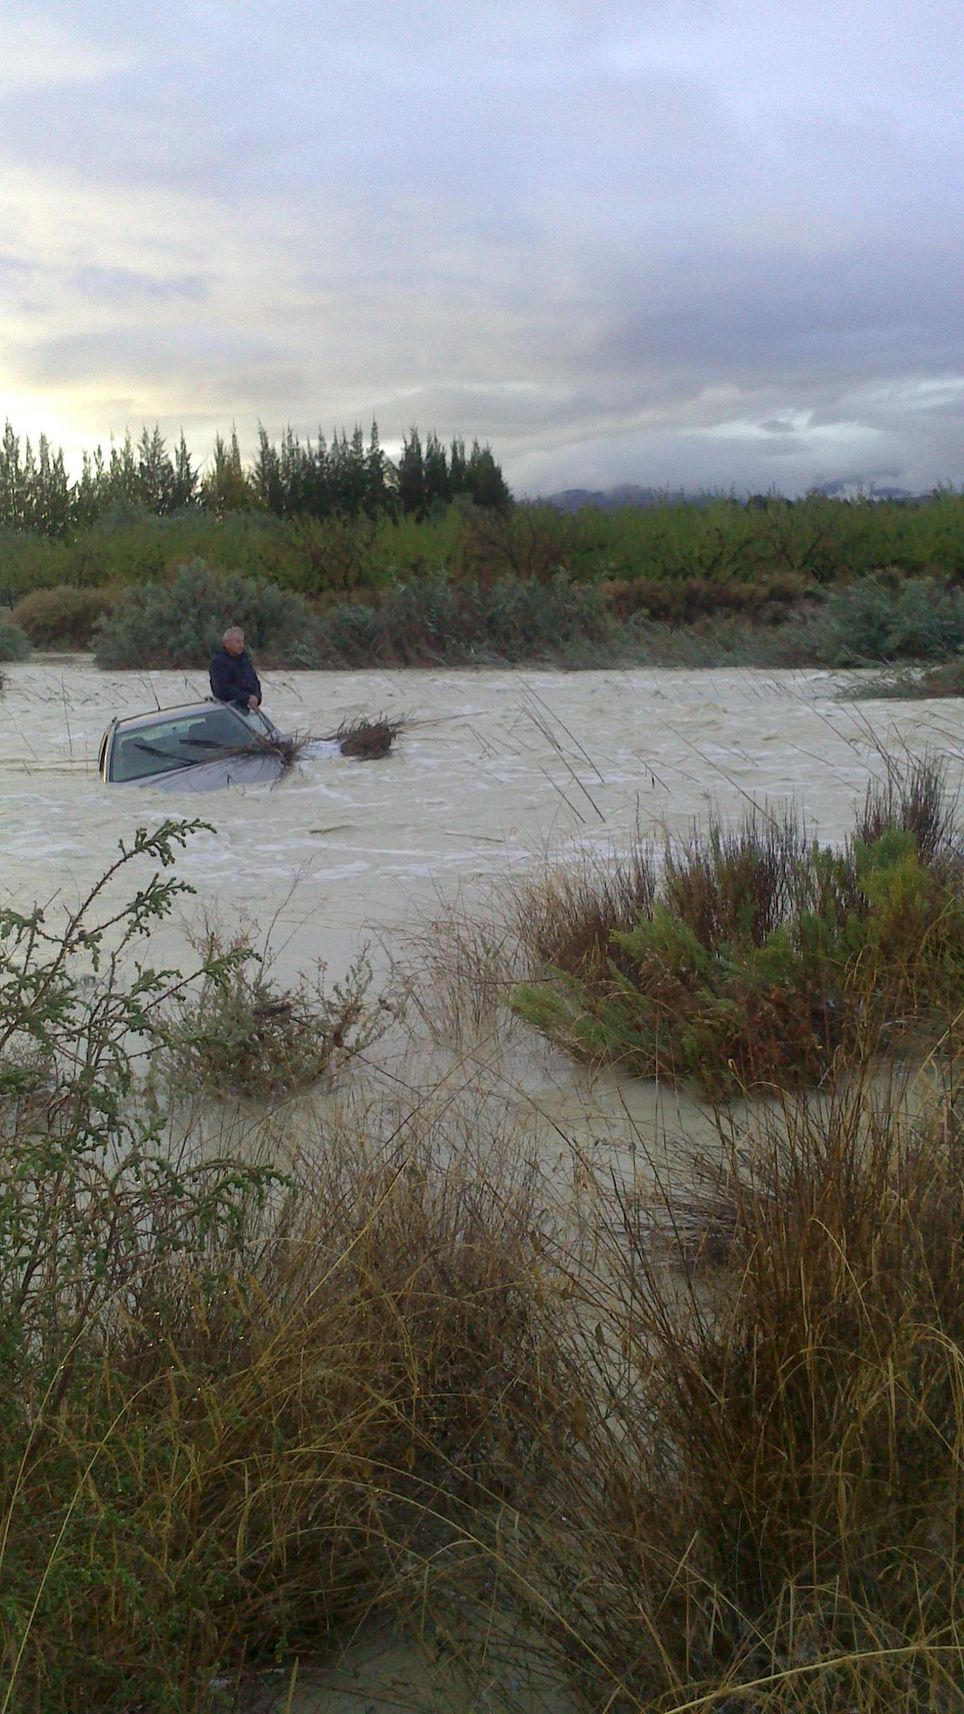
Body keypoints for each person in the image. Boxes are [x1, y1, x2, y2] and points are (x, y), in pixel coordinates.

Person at [209, 626, 262, 711]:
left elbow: (255, 682)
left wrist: (256, 697)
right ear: (226, 643)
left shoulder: (245, 660)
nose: (241, 645)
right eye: (237, 642)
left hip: (247, 710)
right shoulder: (218, 662)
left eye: (242, 642)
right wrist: (246, 698)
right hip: (227, 710)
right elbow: (223, 688)